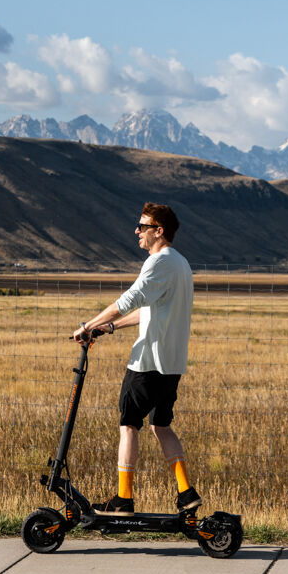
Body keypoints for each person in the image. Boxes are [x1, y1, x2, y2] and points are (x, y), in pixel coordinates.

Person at [73, 202, 199, 516]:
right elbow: (150, 309)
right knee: (161, 426)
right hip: (171, 365)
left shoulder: (159, 262)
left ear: (159, 231)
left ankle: (123, 499)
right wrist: (111, 326)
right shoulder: (181, 264)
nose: (137, 231)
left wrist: (88, 326)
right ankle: (186, 493)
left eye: (143, 226)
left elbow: (130, 299)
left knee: (129, 425)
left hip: (147, 363)